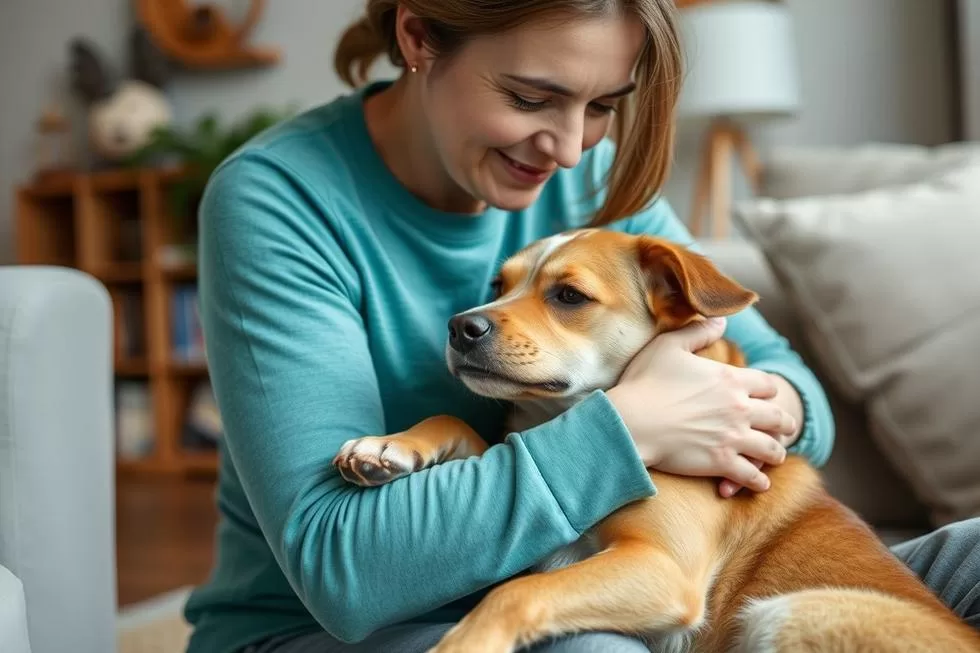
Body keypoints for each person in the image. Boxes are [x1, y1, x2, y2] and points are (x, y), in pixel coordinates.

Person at [183, 1, 980, 652]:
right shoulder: (277, 201)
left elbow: (796, 397)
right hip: (340, 622)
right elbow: (342, 572)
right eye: (531, 98)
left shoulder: (590, 184)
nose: (567, 148)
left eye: (602, 106)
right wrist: (631, 427)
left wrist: (743, 406)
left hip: (655, 579)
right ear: (418, 37)